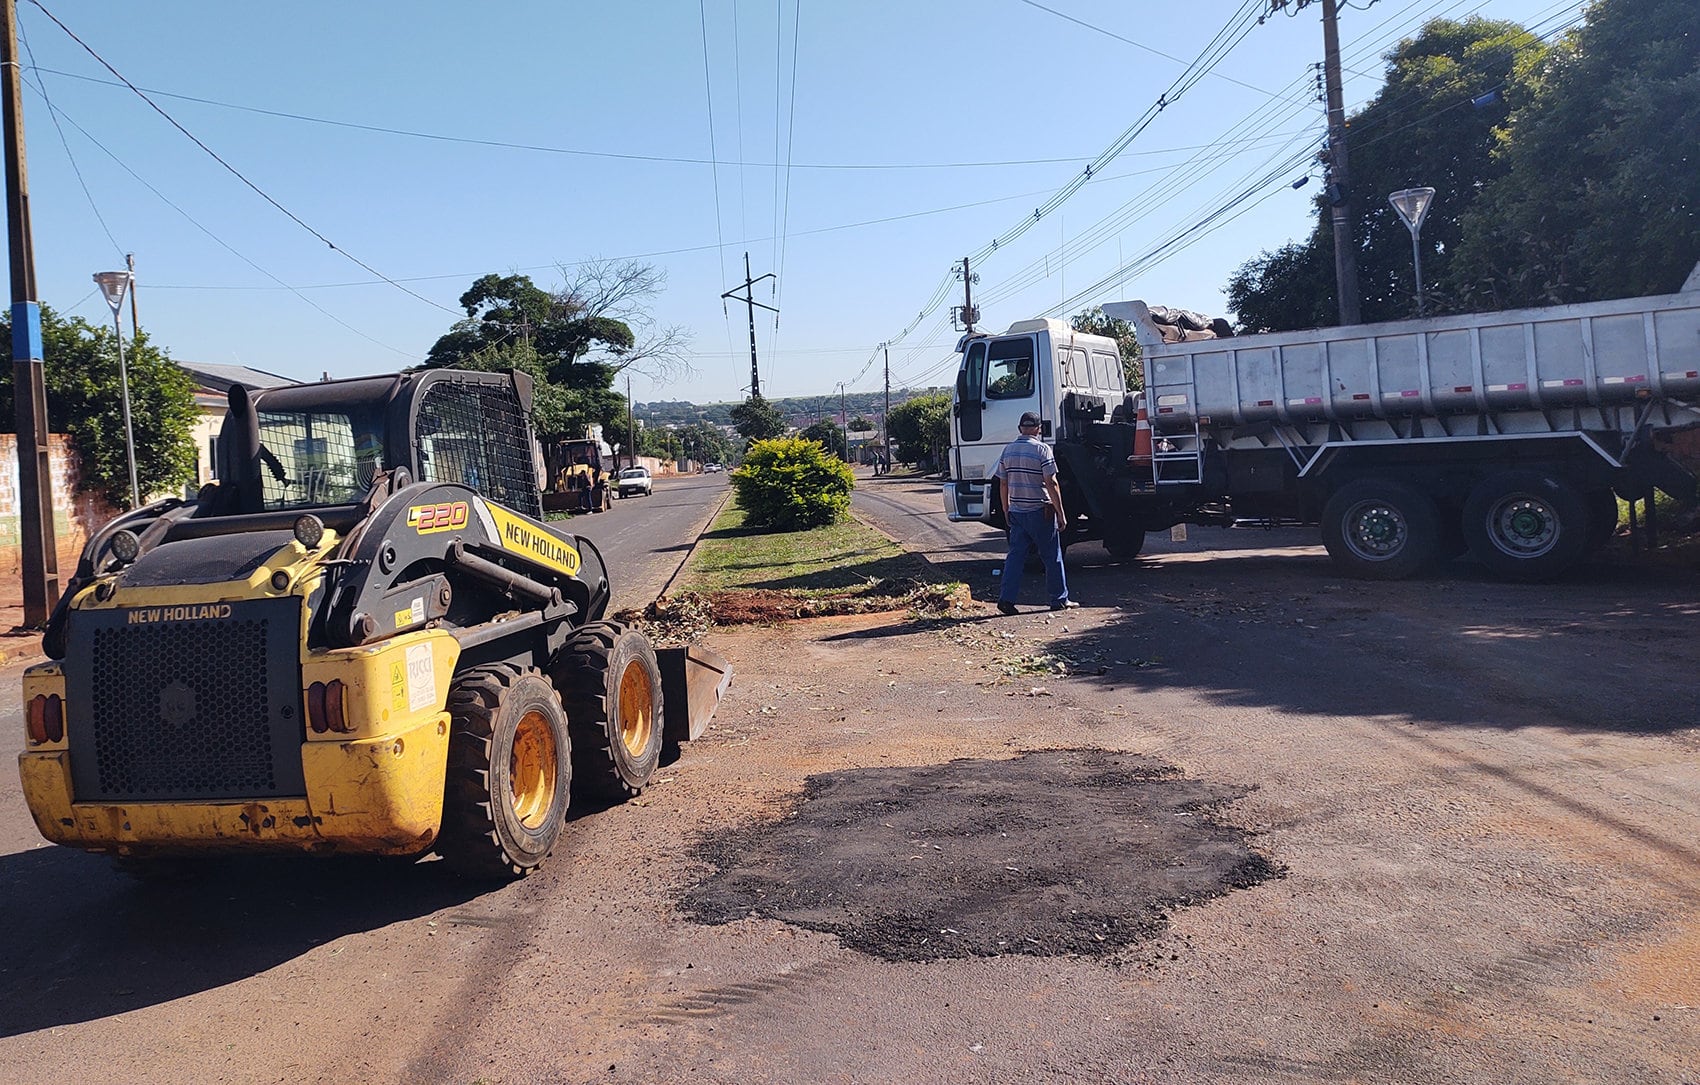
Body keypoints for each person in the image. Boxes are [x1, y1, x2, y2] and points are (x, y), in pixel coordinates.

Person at [991, 411, 1074, 614]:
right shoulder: (1042, 449)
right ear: (1038, 429)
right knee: (1051, 556)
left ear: (1020, 428)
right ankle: (1059, 599)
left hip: (1017, 511)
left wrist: (1006, 509)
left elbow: (1003, 482)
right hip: (1040, 511)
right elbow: (1051, 483)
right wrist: (1061, 513)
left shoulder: (1007, 451)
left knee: (1015, 557)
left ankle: (1006, 599)